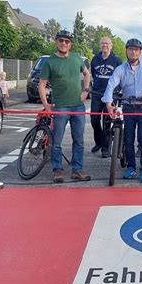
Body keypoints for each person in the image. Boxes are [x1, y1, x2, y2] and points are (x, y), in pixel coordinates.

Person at [101, 38, 142, 183]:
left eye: (136, 50)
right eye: (131, 49)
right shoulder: (120, 69)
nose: (133, 52)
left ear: (140, 52)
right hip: (128, 106)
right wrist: (108, 103)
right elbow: (111, 85)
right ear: (126, 51)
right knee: (128, 139)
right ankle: (131, 167)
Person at [38, 30, 91, 183]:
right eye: (61, 40)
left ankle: (77, 170)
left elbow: (87, 74)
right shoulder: (50, 62)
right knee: (57, 141)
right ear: (56, 42)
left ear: (70, 44)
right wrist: (45, 104)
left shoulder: (76, 57)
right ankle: (57, 169)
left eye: (67, 41)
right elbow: (41, 84)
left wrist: (85, 90)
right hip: (60, 106)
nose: (64, 43)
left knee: (79, 140)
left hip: (78, 106)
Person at [90, 36, 122, 158]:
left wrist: (116, 92)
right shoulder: (95, 59)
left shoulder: (116, 60)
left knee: (107, 122)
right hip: (97, 94)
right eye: (103, 43)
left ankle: (105, 148)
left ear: (111, 45)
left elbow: (120, 78)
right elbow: (93, 73)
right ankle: (98, 142)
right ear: (100, 45)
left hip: (110, 96)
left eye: (107, 43)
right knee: (94, 120)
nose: (105, 45)